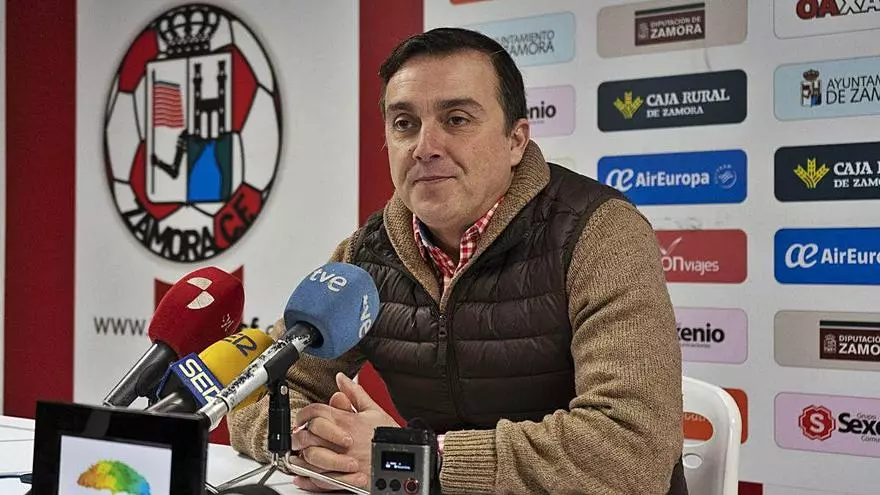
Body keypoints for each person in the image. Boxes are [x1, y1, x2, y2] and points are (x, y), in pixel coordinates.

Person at [228, 27, 687, 495]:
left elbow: (633, 450)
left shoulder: (599, 233)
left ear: (516, 140)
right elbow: (253, 394)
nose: (425, 146)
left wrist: (411, 456)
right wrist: (318, 442)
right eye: (404, 123)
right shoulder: (368, 254)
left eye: (457, 119)